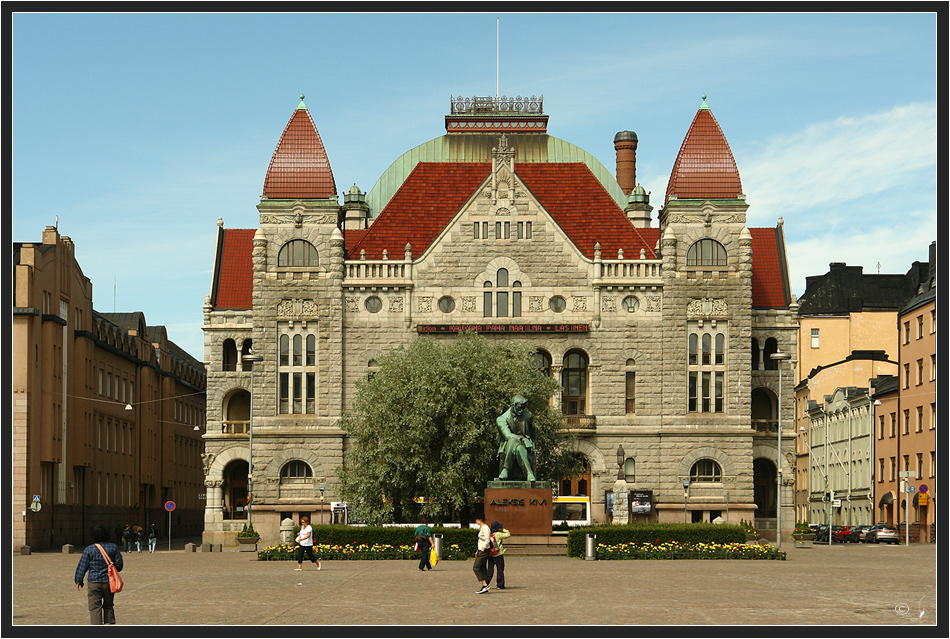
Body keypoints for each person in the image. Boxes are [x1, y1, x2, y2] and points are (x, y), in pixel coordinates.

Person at [75, 524, 123, 625]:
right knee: (108, 605)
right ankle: (108, 625)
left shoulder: (89, 549)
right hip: (109, 582)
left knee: (95, 608)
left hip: (94, 582)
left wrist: (79, 580)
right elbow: (119, 566)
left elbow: (82, 566)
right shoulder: (113, 547)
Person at [496, 395, 536, 482]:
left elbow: (532, 433)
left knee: (518, 447)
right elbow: (508, 436)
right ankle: (529, 473)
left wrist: (530, 442)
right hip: (508, 446)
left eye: (523, 408)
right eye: (519, 408)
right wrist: (523, 439)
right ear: (513, 405)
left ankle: (506, 469)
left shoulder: (528, 416)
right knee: (514, 443)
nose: (521, 411)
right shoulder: (501, 419)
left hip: (525, 445)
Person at [486, 521, 511, 589]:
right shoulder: (498, 534)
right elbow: (508, 534)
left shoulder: (488, 534)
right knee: (500, 570)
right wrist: (503, 530)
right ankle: (500, 585)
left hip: (490, 554)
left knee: (490, 570)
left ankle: (485, 583)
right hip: (498, 554)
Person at [472, 516, 492, 594]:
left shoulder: (485, 528)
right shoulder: (481, 528)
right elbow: (480, 540)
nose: (475, 521)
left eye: (476, 519)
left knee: (476, 567)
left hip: (484, 550)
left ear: (480, 519)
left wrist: (483, 548)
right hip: (481, 549)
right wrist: (478, 550)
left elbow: (487, 539)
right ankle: (485, 586)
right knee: (482, 567)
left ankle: (485, 584)